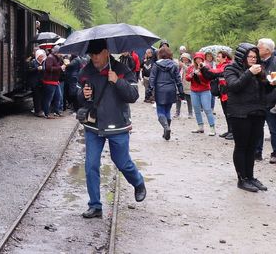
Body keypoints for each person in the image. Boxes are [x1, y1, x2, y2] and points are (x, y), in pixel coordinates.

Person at [77, 38, 146, 219]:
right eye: (91, 54)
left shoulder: (122, 70)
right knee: (91, 165)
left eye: (97, 54)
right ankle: (95, 205)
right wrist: (82, 94)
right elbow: (76, 96)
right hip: (93, 125)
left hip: (118, 125)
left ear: (106, 52)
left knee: (122, 162)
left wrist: (117, 81)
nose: (94, 58)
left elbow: (133, 95)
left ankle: (138, 182)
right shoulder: (85, 71)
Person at [224, 43, 276, 192]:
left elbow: (264, 89)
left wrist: (272, 84)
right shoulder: (231, 69)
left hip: (257, 112)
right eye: (250, 57)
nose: (253, 59)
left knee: (252, 147)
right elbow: (234, 86)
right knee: (242, 146)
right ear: (242, 57)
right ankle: (242, 179)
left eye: (255, 57)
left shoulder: (258, 69)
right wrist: (249, 72)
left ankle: (250, 177)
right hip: (240, 113)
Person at [148, 45, 183, 140]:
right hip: (171, 89)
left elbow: (152, 78)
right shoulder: (174, 65)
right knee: (167, 111)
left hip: (160, 90)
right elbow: (178, 79)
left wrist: (149, 90)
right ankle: (166, 131)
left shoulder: (156, 65)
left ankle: (166, 128)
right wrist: (181, 91)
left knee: (160, 111)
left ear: (159, 55)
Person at [201, 50, 233, 139]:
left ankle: (233, 132)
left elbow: (216, 72)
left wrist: (206, 67)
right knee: (226, 113)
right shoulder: (221, 65)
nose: (217, 58)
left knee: (230, 113)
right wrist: (203, 69)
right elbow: (210, 76)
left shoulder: (228, 66)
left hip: (229, 93)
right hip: (223, 92)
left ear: (225, 57)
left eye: (219, 56)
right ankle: (230, 130)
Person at [255, 38, 276, 163]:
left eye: (259, 47)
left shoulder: (275, 62)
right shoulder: (257, 63)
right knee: (257, 128)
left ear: (267, 50)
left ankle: (275, 153)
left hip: (272, 100)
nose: (257, 49)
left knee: (274, 129)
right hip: (258, 100)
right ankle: (257, 152)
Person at [186, 52, 215, 135]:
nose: (198, 60)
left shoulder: (207, 67)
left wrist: (200, 75)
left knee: (207, 109)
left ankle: (212, 128)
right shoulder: (191, 67)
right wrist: (191, 74)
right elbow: (187, 78)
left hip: (205, 91)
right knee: (196, 109)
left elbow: (208, 79)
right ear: (194, 59)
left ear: (203, 59)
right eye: (196, 59)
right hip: (194, 91)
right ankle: (200, 127)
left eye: (200, 59)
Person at [42, 47, 63, 118]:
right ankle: (46, 113)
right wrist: (60, 68)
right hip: (49, 81)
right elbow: (48, 68)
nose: (61, 54)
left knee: (58, 97)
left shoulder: (57, 58)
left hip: (55, 81)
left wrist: (61, 63)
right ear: (56, 52)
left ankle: (56, 111)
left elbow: (58, 66)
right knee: (48, 99)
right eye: (60, 52)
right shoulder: (50, 58)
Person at [175, 52, 193, 119]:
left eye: (186, 59)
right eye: (183, 59)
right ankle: (177, 112)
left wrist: (183, 65)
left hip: (187, 85)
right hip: (180, 84)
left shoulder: (190, 65)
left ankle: (190, 113)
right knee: (178, 99)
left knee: (188, 99)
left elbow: (189, 70)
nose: (184, 60)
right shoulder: (179, 66)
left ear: (189, 59)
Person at [29, 49, 46, 117]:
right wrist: (36, 69)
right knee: (36, 97)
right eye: (40, 56)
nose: (41, 58)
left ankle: (41, 110)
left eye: (42, 56)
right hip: (35, 82)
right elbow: (29, 71)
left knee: (42, 97)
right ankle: (37, 111)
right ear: (37, 56)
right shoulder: (33, 62)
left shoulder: (44, 62)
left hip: (42, 82)